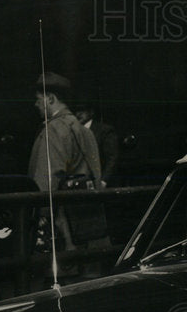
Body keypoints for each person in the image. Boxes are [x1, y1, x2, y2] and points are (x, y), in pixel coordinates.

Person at [28, 73, 107, 259]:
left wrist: (38, 218)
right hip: (87, 225)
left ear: (50, 98)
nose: (36, 105)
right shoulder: (84, 131)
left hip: (64, 230)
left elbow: (46, 183)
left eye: (39, 100)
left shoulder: (53, 130)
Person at [74, 103, 120, 187]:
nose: (79, 114)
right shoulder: (74, 132)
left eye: (83, 110)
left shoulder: (104, 131)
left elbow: (112, 158)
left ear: (91, 112)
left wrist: (104, 180)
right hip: (80, 183)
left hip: (100, 183)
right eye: (77, 111)